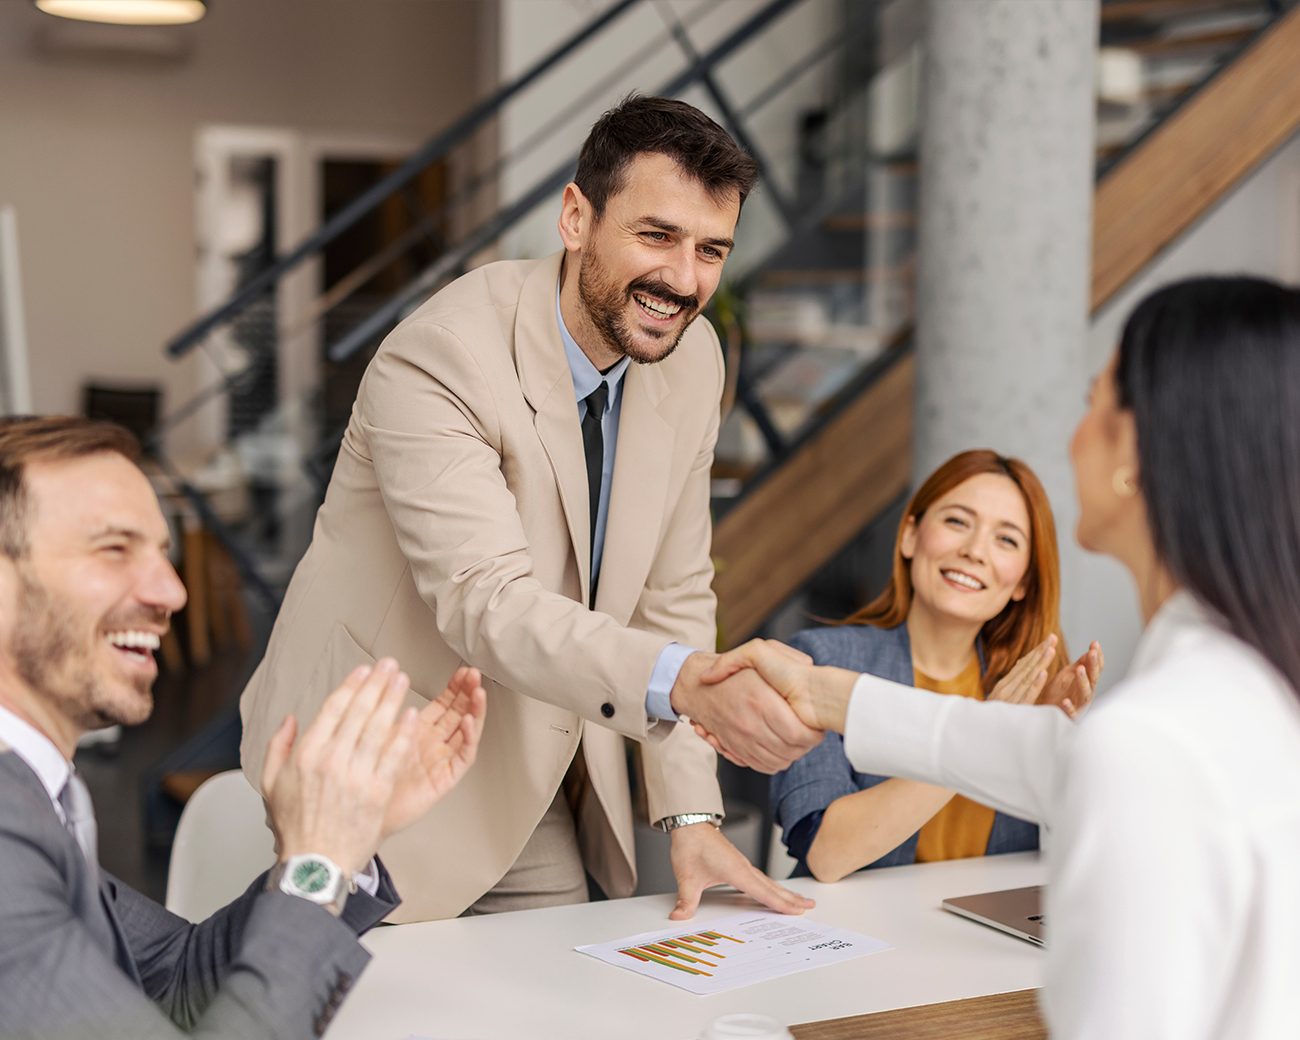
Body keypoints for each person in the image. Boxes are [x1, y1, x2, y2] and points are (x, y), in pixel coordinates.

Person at [239, 94, 818, 924]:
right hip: (370, 756)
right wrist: (688, 687)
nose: (684, 280)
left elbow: (674, 595)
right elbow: (487, 602)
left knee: (556, 984)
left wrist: (691, 814)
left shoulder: (693, 363)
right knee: (355, 989)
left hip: (530, 751)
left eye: (711, 250)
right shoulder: (441, 357)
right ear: (576, 218)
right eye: (657, 236)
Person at [703, 277, 1300, 1039]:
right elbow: (1011, 754)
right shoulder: (1244, 692)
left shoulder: (1149, 734)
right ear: (912, 534)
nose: (1073, 435)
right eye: (958, 522)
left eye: (1092, 402)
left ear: (1134, 452)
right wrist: (826, 695)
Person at [0, 417, 486, 1040]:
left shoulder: (35, 799)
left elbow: (177, 978)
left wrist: (346, 841)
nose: (172, 592)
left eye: (161, 554)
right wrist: (319, 862)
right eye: (114, 549)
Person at [770, 450, 1102, 881]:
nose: (974, 551)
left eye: (1006, 540)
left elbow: (1086, 856)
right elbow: (825, 854)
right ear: (910, 536)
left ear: (1023, 581)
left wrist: (1055, 738)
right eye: (957, 521)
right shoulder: (822, 661)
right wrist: (984, 733)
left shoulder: (1029, 692)